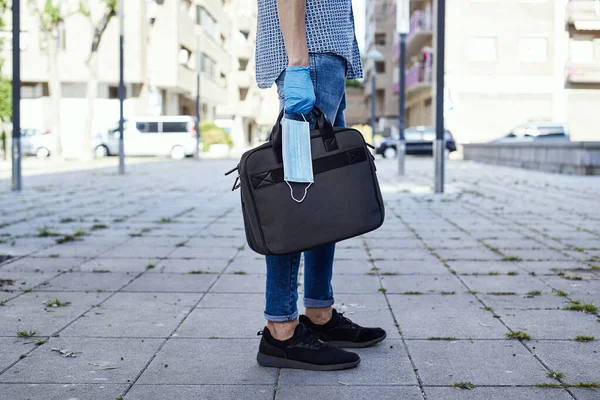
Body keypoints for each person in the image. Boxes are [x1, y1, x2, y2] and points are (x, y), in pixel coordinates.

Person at [254, 0, 386, 370]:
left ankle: (319, 314)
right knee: (293, 199)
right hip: (309, 59)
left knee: (323, 196)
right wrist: (298, 65)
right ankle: (281, 330)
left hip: (325, 61)